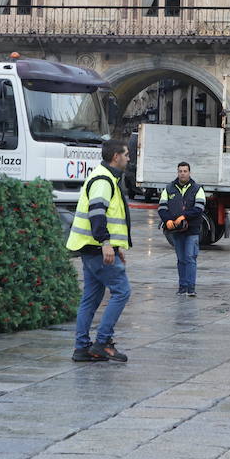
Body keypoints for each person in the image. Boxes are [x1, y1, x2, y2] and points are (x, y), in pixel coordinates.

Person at [65, 139, 133, 362]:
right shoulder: (104, 180)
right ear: (116, 157)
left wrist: (115, 245)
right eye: (126, 154)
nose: (129, 158)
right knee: (122, 291)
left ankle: (82, 347)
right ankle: (103, 342)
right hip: (96, 248)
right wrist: (105, 243)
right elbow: (97, 214)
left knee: (91, 298)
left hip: (92, 248)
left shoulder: (104, 178)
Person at [158, 161, 207, 296]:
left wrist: (183, 216)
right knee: (181, 259)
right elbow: (162, 207)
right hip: (176, 231)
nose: (182, 173)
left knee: (190, 258)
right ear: (177, 172)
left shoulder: (197, 189)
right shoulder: (169, 188)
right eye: (180, 171)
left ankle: (191, 288)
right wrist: (167, 220)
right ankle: (182, 287)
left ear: (189, 172)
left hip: (192, 230)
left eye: (185, 171)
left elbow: (199, 208)